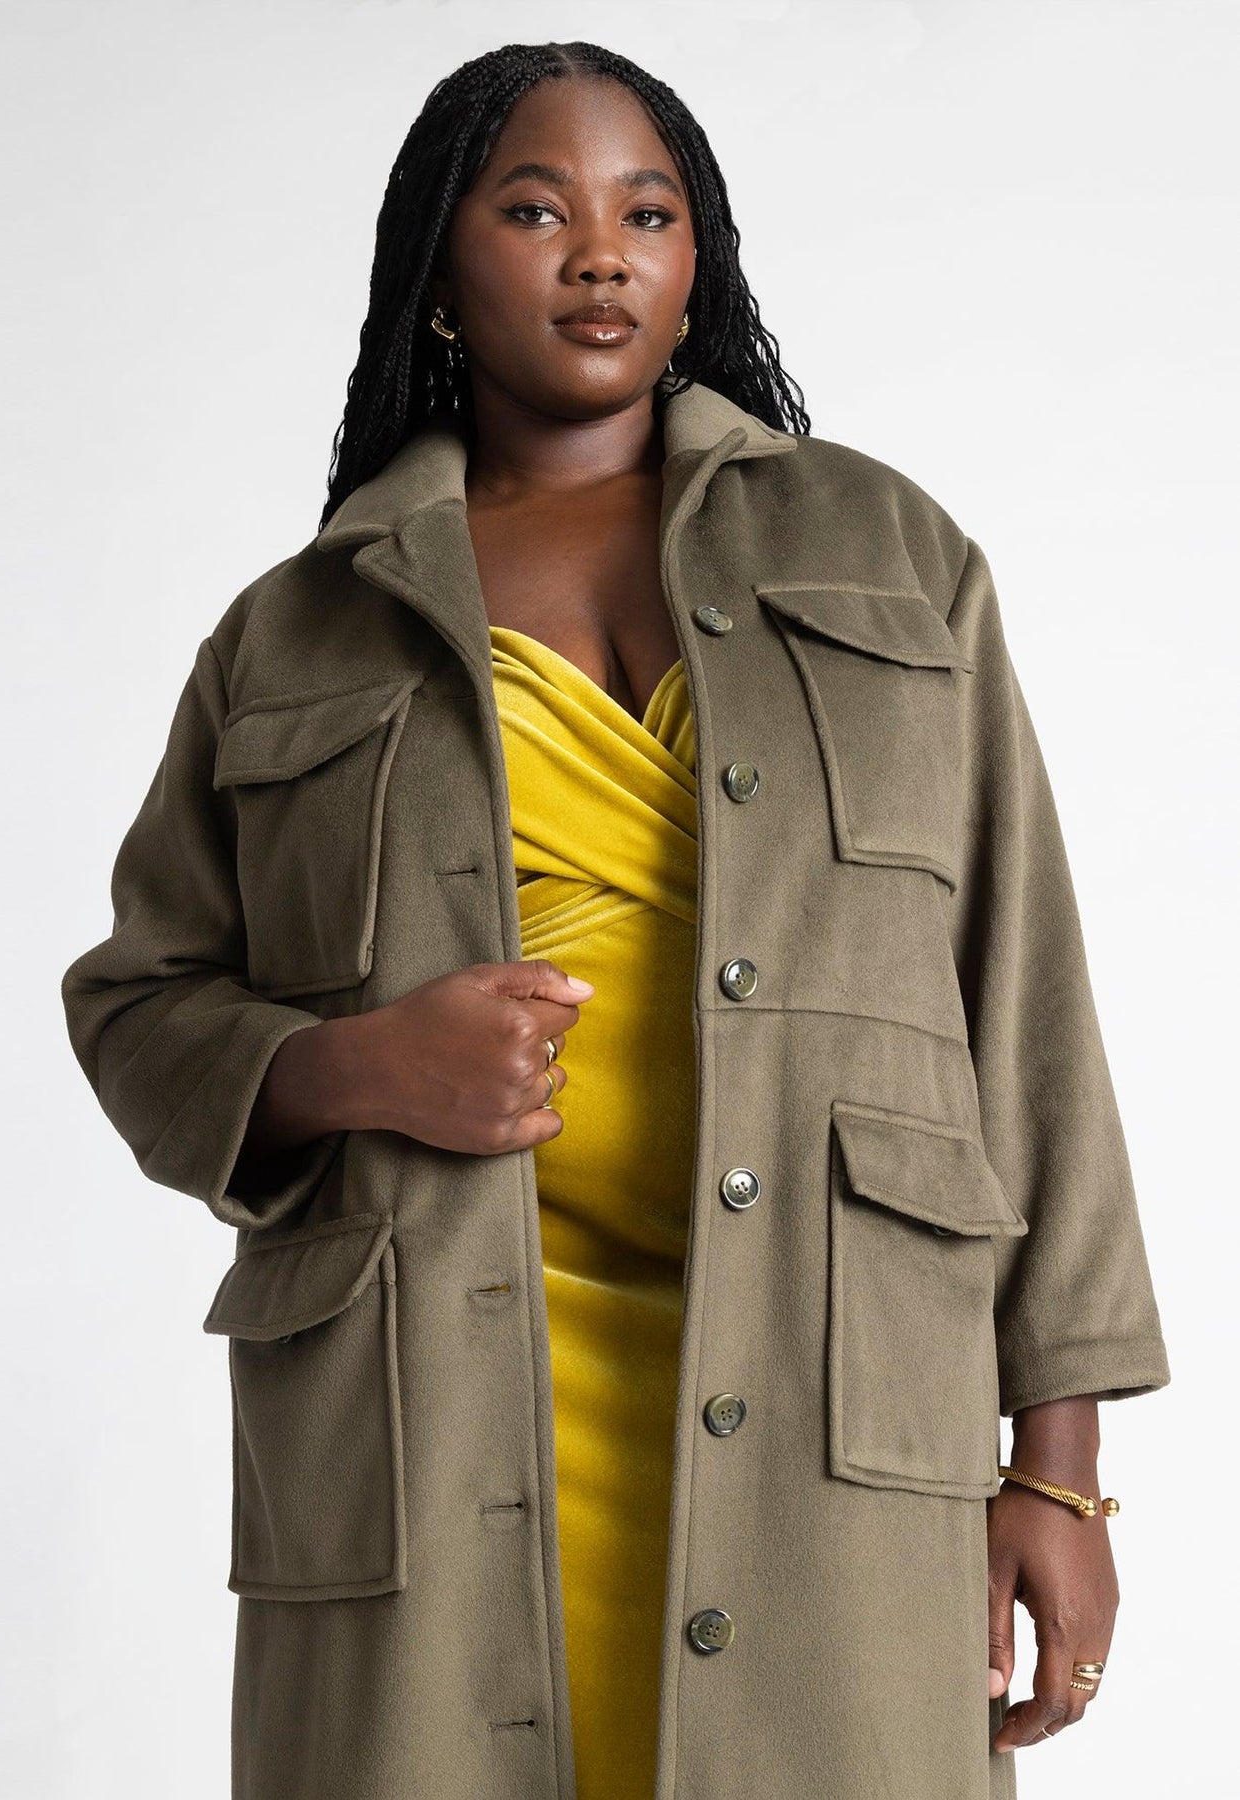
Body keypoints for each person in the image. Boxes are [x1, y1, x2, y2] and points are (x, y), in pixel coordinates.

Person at [60, 39, 1171, 1800]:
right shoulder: (299, 629)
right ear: (440, 269)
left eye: (649, 214)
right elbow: (140, 1002)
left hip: (835, 1404)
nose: (601, 255)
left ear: (697, 259)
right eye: (536, 211)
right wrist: (358, 1067)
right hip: (431, 1412)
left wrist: (1060, 1465)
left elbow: (1023, 1006)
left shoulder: (890, 553)